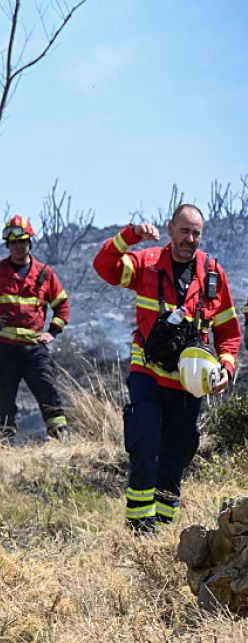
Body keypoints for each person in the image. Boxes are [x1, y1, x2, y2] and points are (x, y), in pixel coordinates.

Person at [93, 204, 240, 534]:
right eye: (185, 231)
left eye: (196, 233)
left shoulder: (213, 275)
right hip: (147, 370)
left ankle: (163, 524)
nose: (190, 239)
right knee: (145, 436)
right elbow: (104, 265)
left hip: (189, 383)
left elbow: (229, 332)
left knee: (180, 448)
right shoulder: (147, 265)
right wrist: (131, 235)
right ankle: (139, 527)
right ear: (171, 228)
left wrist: (226, 371)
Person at [0, 214, 71, 440]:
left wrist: (52, 332)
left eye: (23, 241)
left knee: (48, 392)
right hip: (4, 348)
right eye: (14, 242)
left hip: (35, 348)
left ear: (29, 242)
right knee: (5, 399)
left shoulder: (44, 273)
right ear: (8, 245)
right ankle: (4, 443)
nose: (19, 246)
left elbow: (62, 305)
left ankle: (61, 439)